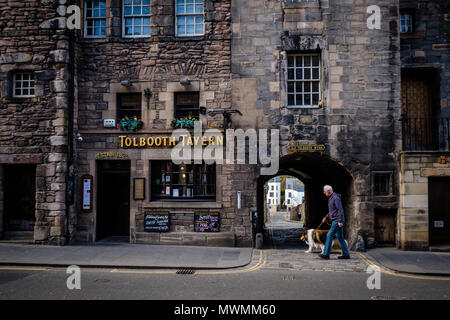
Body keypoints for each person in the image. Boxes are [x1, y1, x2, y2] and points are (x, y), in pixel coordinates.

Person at [318, 185, 350, 260]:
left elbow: (340, 210)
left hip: (337, 221)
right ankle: (346, 254)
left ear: (328, 191)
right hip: (336, 220)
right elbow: (332, 211)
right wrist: (326, 217)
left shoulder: (335, 198)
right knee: (340, 238)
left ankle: (326, 254)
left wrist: (339, 221)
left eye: (324, 191)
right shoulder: (331, 198)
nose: (324, 192)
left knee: (329, 235)